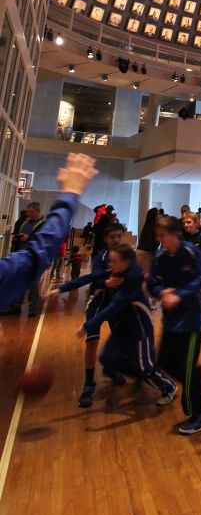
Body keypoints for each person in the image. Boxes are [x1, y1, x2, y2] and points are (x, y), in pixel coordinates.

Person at [76, 244, 177, 404]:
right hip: (122, 327)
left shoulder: (132, 280)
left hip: (140, 328)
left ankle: (168, 386)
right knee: (107, 358)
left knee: (144, 367)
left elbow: (113, 306)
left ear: (126, 262)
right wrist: (59, 289)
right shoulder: (114, 273)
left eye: (114, 261)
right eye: (110, 261)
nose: (111, 264)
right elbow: (87, 279)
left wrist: (87, 326)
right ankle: (142, 372)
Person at [0, 154, 98, 312]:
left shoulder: (38, 223)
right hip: (29, 254)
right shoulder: (24, 222)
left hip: (42, 253)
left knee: (37, 280)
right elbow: (39, 251)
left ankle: (32, 305)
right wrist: (70, 193)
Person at [148, 216, 201, 434]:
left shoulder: (192, 252)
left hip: (192, 319)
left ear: (175, 234)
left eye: (162, 235)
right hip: (172, 319)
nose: (160, 240)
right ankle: (199, 378)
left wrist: (179, 294)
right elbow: (153, 283)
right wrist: (160, 291)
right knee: (164, 360)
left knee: (186, 368)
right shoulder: (160, 256)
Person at [52, 220, 128, 407]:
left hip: (116, 303)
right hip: (98, 301)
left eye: (119, 236)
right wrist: (62, 288)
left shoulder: (127, 257)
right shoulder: (100, 257)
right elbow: (92, 278)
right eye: (113, 237)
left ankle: (110, 368)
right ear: (106, 239)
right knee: (92, 340)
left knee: (121, 338)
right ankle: (88, 383)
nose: (116, 240)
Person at [6, 201, 47, 316]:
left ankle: (33, 308)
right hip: (21, 255)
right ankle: (15, 306)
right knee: (18, 282)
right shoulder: (25, 221)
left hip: (33, 257)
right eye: (27, 211)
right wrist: (16, 238)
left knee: (33, 284)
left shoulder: (43, 224)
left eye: (30, 212)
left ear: (37, 211)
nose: (28, 213)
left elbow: (42, 240)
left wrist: (29, 238)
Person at [136, 206, 159, 273]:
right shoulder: (152, 227)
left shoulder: (149, 226)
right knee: (146, 276)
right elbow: (151, 243)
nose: (159, 216)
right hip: (145, 254)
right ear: (154, 216)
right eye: (158, 214)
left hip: (142, 253)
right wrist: (155, 256)